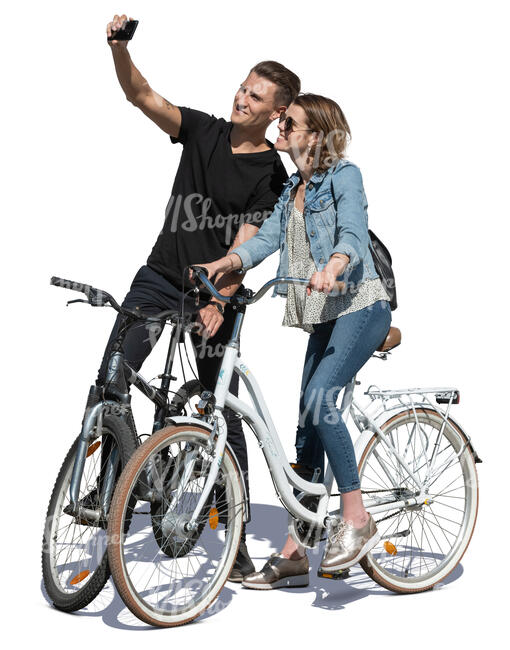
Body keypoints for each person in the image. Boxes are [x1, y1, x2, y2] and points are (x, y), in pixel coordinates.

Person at [98, 14, 301, 581]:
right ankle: (110, 482)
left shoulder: (273, 176)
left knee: (222, 412)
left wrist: (219, 299)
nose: (241, 97)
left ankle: (231, 540)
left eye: (255, 95)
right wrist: (118, 48)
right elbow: (141, 94)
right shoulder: (204, 131)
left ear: (275, 112)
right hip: (161, 276)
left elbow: (247, 244)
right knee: (112, 378)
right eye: (242, 86)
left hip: (216, 293)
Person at [191, 93, 392, 589]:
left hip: (360, 306)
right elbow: (265, 240)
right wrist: (224, 264)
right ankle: (296, 553)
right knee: (307, 426)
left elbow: (353, 232)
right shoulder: (293, 190)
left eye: (290, 122)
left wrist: (333, 267)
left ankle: (356, 516)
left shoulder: (344, 176)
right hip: (325, 315)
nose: (279, 126)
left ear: (314, 136)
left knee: (322, 400)